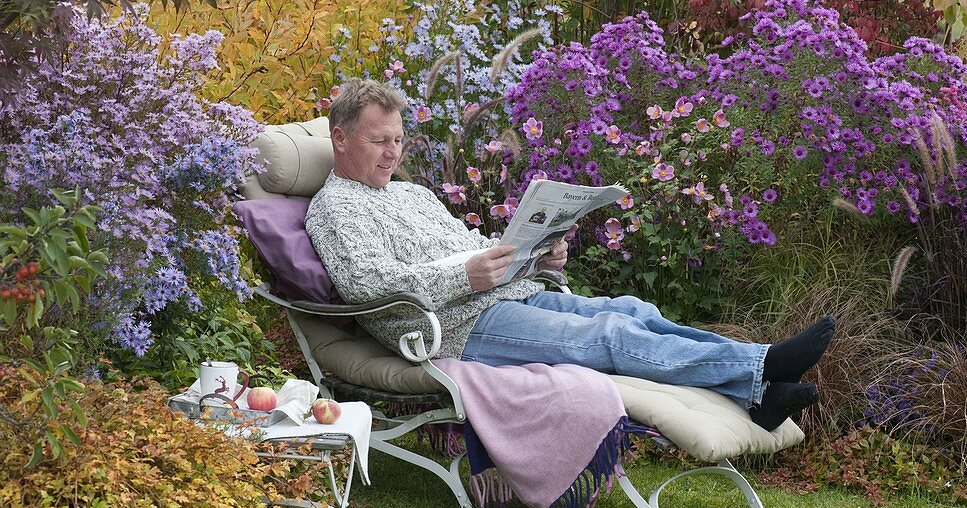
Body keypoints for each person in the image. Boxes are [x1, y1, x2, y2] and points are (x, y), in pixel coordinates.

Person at [305, 79, 833, 430]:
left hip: (506, 297)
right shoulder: (334, 209)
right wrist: (465, 278)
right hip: (455, 329)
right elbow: (368, 287)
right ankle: (761, 366)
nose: (394, 152)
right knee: (609, 336)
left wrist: (537, 257)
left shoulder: (411, 193)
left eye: (398, 140)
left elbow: (473, 253)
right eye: (380, 142)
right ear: (341, 139)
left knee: (632, 312)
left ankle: (755, 389)